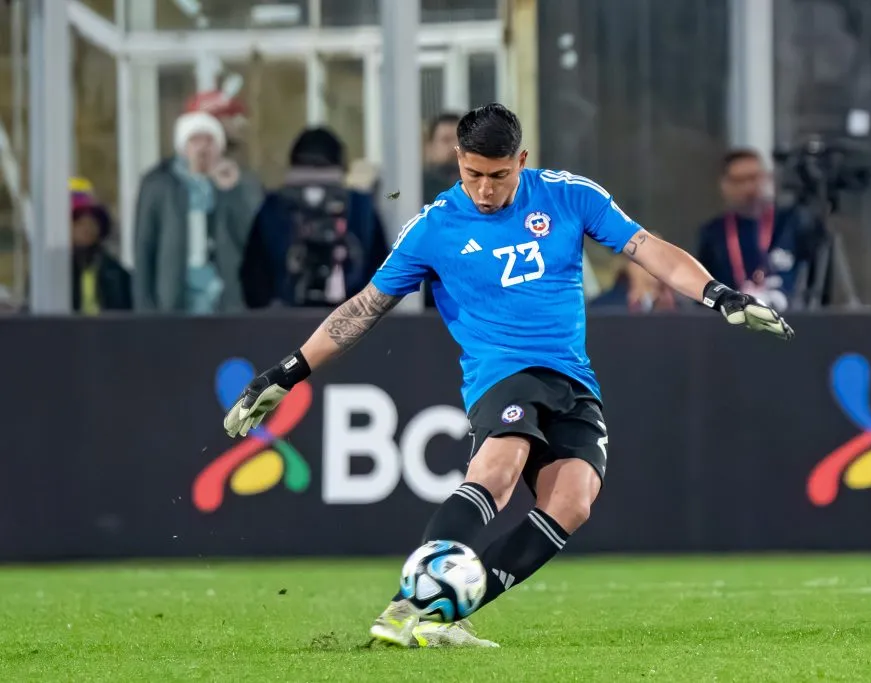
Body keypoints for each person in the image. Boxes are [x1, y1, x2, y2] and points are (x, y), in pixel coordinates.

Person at [222, 104, 793, 648]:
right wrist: (287, 372)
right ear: (457, 159)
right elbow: (364, 307)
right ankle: (407, 603)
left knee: (573, 501)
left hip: (572, 377)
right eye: (472, 174)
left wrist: (719, 294)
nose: (484, 190)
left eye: (498, 176)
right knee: (499, 467)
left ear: (522, 160)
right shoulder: (434, 228)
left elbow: (648, 249)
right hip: (502, 373)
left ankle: (440, 616)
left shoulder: (569, 195)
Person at [241, 127, 389, 308]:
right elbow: (382, 270)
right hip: (351, 317)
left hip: (285, 318)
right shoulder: (360, 206)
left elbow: (253, 275)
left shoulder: (274, 206)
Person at [133, 110, 262, 314]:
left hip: (223, 293)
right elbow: (145, 246)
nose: (202, 148)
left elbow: (251, 236)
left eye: (209, 141)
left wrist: (232, 191)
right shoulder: (159, 184)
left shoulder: (238, 182)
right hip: (174, 292)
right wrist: (145, 305)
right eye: (195, 141)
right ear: (182, 147)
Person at [696, 148, 816, 312]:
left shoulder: (791, 223)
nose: (749, 187)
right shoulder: (713, 234)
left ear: (767, 178)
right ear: (725, 185)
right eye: (740, 180)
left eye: (754, 178)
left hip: (789, 317)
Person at [70, 178, 132, 314]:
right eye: (79, 224)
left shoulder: (117, 274)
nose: (86, 229)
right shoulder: (57, 273)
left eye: (92, 224)